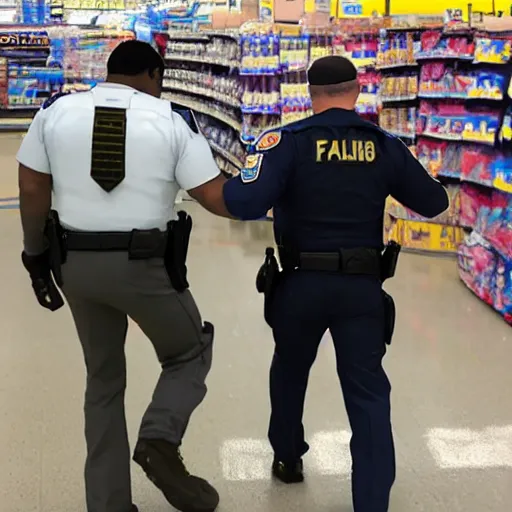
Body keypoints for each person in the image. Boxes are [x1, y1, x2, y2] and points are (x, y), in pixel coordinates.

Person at [220, 56, 450, 512]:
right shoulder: (384, 145)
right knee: (367, 393)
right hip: (361, 289)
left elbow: (244, 203)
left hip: (299, 284)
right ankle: (370, 502)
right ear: (358, 89)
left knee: (289, 370)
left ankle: (287, 456)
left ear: (310, 94)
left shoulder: (287, 142)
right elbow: (434, 202)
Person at [17, 40, 230, 512]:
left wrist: (36, 255)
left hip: (75, 266)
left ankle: (109, 504)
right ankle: (158, 438)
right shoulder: (171, 119)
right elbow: (216, 197)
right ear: (154, 75)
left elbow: (32, 184)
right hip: (145, 265)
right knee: (189, 350)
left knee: (103, 378)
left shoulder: (54, 112)